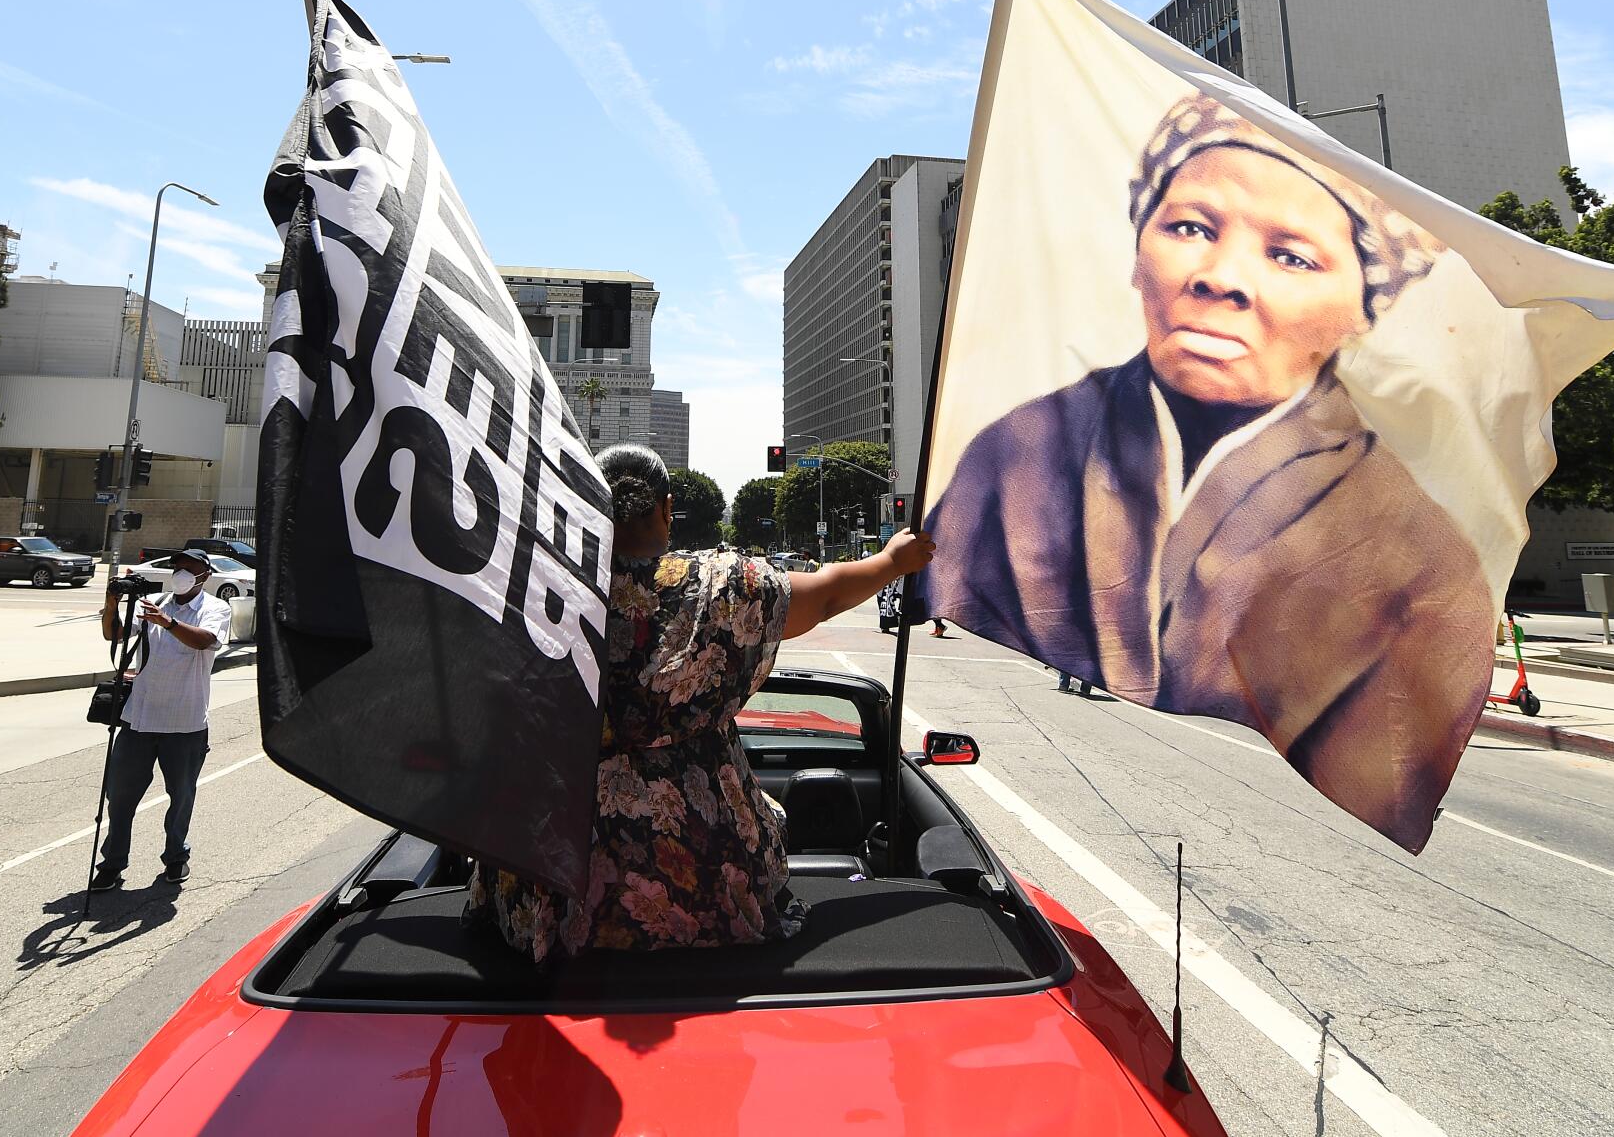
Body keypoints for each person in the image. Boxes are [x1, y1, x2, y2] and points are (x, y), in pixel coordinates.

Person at [925, 94, 1492, 852]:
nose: (1220, 277)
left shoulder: (1419, 558)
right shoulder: (1018, 450)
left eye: (1290, 254)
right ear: (1138, 253)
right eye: (1190, 227)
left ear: (1362, 307)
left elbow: (1398, 754)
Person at [470, 444, 936, 961]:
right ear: (668, 510)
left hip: (554, 898)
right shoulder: (722, 591)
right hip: (711, 893)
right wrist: (893, 561)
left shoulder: (529, 600)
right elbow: (824, 597)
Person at [91, 549, 231, 890]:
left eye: (189, 569)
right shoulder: (154, 602)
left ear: (204, 576)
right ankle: (112, 863)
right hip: (139, 718)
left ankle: (175, 857)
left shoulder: (215, 608)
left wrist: (167, 623)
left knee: (181, 796)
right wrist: (112, 603)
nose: (181, 573)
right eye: (177, 568)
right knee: (120, 796)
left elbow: (206, 641)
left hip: (185, 723)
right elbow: (115, 635)